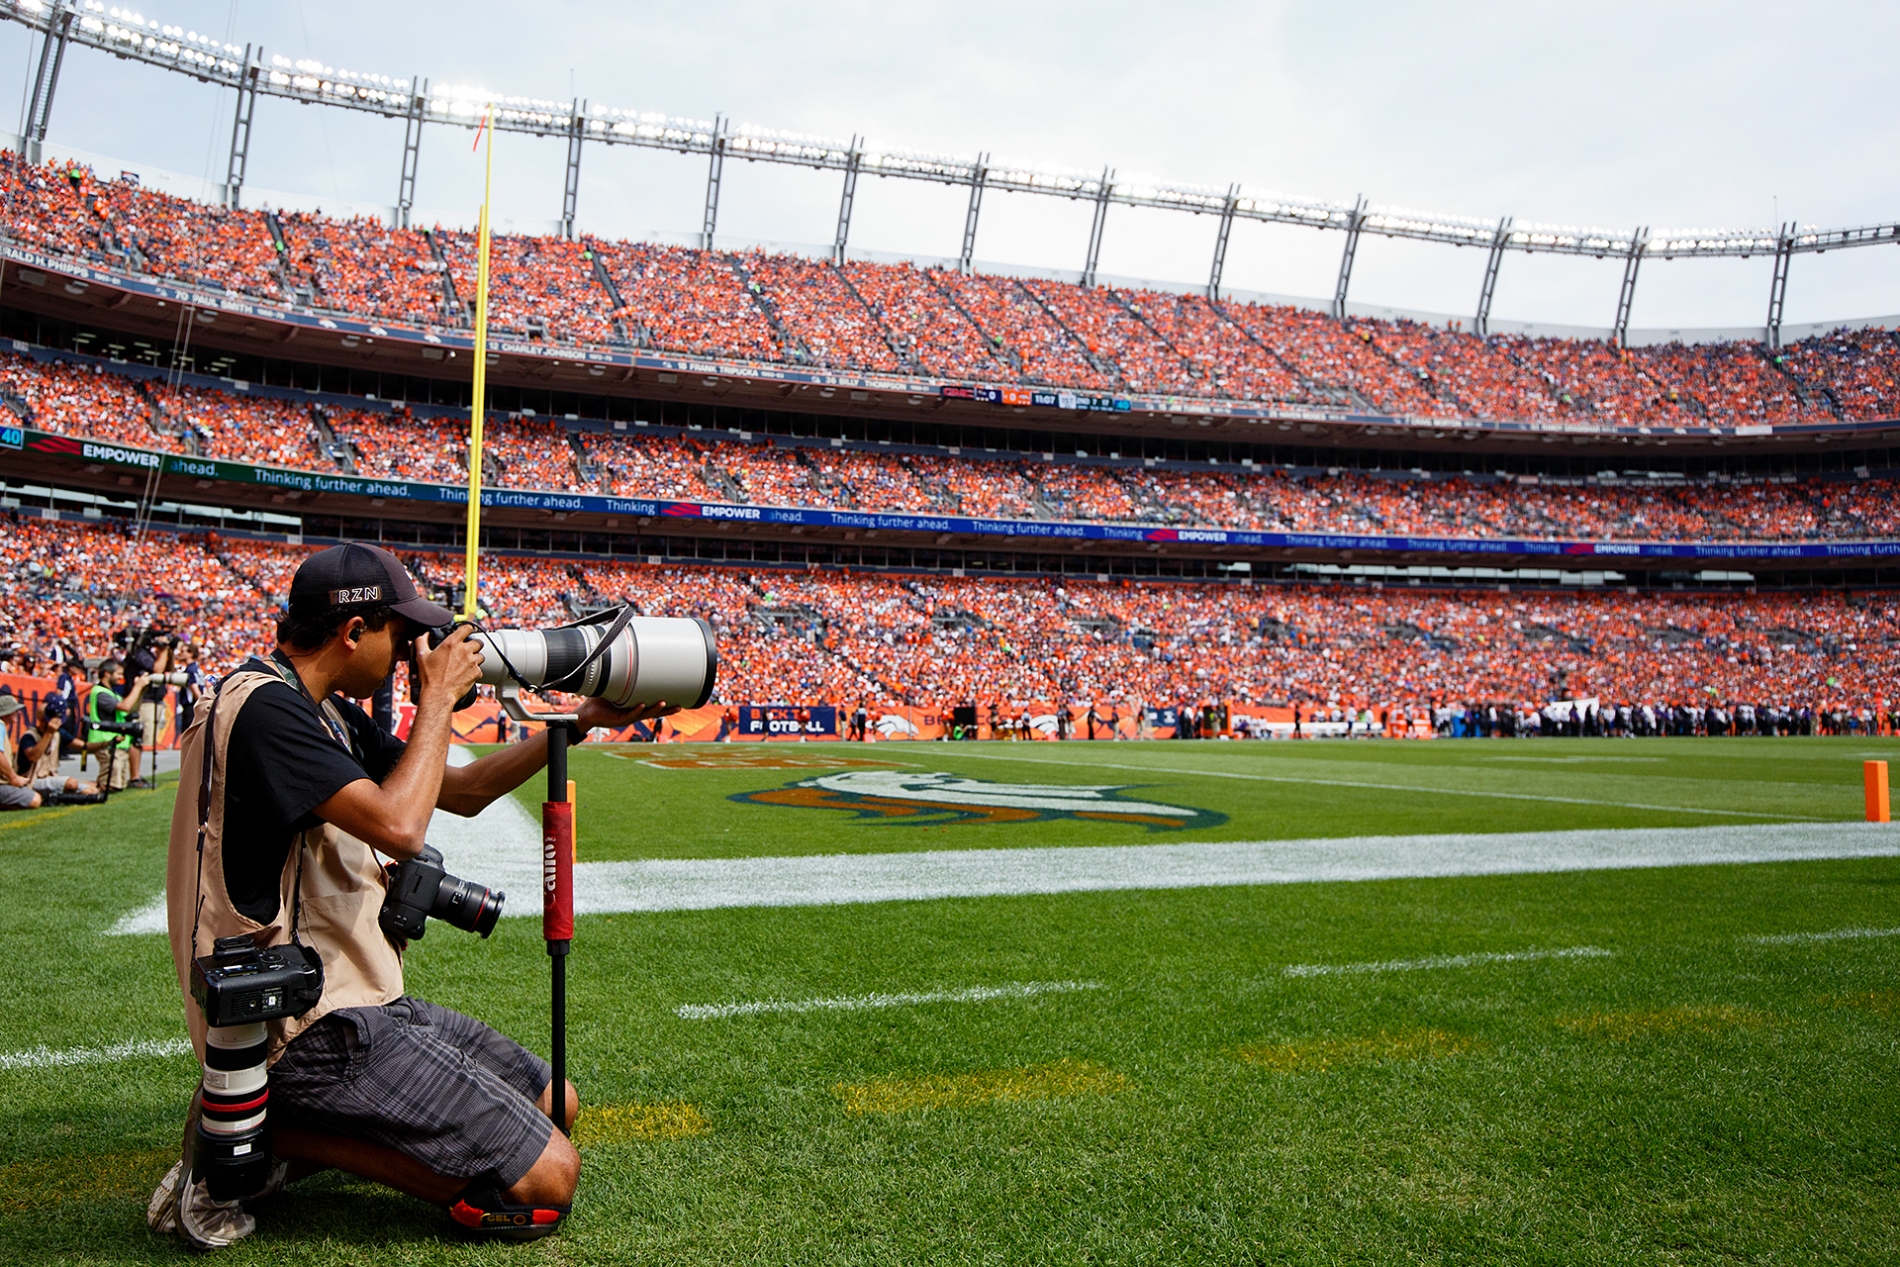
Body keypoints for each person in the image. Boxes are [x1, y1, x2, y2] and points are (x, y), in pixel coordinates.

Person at [150, 543, 674, 1250]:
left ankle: (287, 1131)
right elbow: (401, 826)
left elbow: (460, 792)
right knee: (547, 1179)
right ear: (352, 630)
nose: (410, 651)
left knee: (559, 1103)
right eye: (400, 634)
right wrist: (435, 699)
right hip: (300, 1026)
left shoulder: (320, 710)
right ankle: (258, 1136)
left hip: (357, 995)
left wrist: (577, 721)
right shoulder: (265, 709)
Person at [0, 696, 98, 808]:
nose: (17, 712)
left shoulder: (58, 733)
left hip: (49, 777)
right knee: (70, 784)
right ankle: (53, 797)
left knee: (92, 789)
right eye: (14, 710)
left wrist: (108, 742)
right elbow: (33, 757)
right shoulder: (30, 736)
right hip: (31, 780)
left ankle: (56, 797)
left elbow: (84, 747)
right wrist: (48, 733)